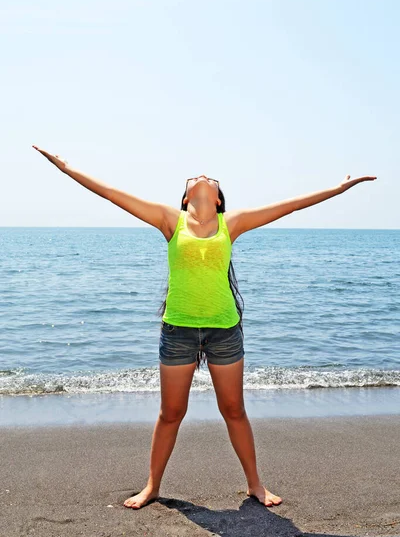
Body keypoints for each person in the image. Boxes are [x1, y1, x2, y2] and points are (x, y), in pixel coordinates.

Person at [32, 145, 377, 509]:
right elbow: (112, 194)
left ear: (217, 199)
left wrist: (337, 190)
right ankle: (152, 486)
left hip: (224, 330)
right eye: (196, 177)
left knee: (234, 410)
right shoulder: (169, 220)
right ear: (185, 198)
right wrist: (67, 168)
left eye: (210, 178)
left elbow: (289, 205)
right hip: (178, 330)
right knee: (171, 413)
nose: (202, 176)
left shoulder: (232, 223)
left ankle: (255, 485)